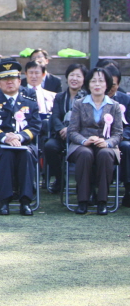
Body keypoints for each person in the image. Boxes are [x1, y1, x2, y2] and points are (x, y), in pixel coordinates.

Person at [0, 59, 41, 216]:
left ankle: (25, 201)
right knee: (7, 154)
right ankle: (4, 201)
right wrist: (5, 138)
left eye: (12, 79)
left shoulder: (30, 102)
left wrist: (19, 137)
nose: (9, 83)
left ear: (19, 81)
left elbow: (35, 127)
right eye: (5, 80)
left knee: (25, 154)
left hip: (24, 144)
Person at [67, 67, 124, 215]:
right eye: (93, 81)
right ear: (88, 84)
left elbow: (118, 133)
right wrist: (84, 140)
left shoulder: (114, 105)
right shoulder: (79, 104)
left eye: (101, 81)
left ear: (107, 85)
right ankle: (83, 201)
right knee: (85, 154)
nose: (97, 84)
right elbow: (72, 131)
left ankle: (102, 201)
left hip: (106, 145)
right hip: (83, 145)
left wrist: (108, 143)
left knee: (105, 154)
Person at [43, 63, 87, 194]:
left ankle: (83, 183)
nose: (74, 78)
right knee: (49, 146)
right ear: (67, 77)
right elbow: (55, 116)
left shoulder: (87, 98)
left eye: (78, 76)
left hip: (80, 136)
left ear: (84, 79)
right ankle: (59, 178)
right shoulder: (60, 96)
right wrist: (62, 128)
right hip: (61, 134)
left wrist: (71, 129)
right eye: (71, 75)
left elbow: (86, 120)